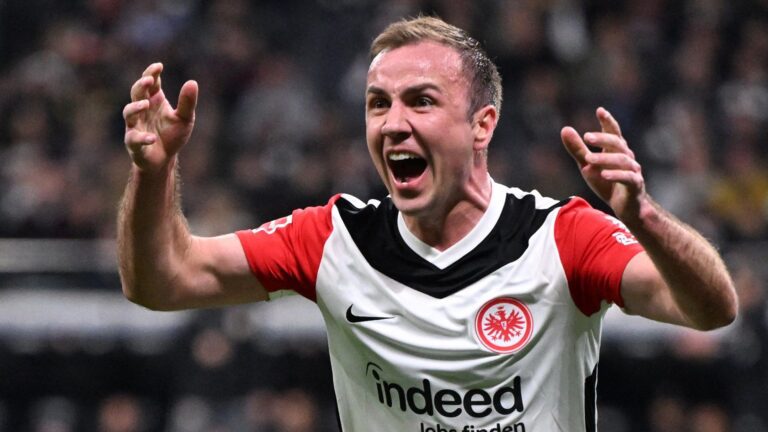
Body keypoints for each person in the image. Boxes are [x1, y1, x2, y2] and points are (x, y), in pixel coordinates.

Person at [118, 16, 738, 431]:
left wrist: (644, 216)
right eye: (377, 104)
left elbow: (712, 309)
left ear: (482, 125)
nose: (393, 124)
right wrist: (153, 172)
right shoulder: (333, 239)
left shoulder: (562, 238)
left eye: (421, 101)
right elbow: (161, 282)